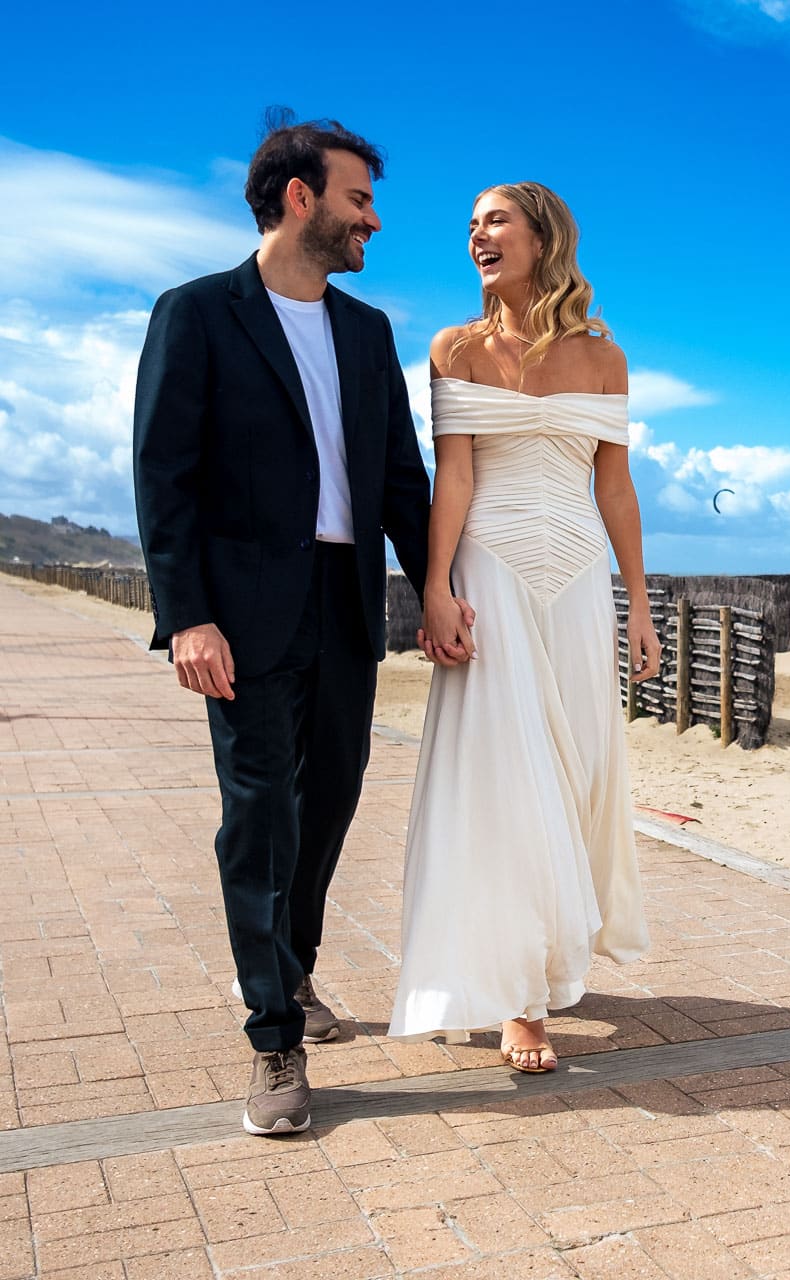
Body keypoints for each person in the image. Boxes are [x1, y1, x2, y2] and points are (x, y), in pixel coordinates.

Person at [132, 112, 472, 1135]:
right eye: (359, 198)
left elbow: (403, 484)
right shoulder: (195, 314)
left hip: (342, 601)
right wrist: (186, 615)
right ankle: (273, 1034)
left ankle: (296, 967)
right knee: (259, 816)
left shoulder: (367, 333)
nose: (373, 219)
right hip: (238, 612)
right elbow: (165, 478)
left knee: (327, 800)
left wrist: (439, 585)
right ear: (299, 198)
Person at [388, 181, 662, 1071]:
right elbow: (454, 480)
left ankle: (543, 954)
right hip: (491, 569)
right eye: (469, 223)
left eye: (494, 219)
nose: (476, 234)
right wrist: (435, 587)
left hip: (579, 577)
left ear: (542, 236)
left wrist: (640, 606)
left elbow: (613, 488)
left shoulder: (605, 358)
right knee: (506, 774)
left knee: (575, 766)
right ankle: (520, 1000)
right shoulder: (453, 349)